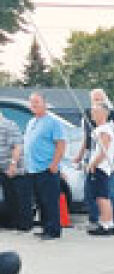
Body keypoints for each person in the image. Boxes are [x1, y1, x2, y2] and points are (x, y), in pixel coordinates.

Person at [73, 89, 114, 231]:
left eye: (100, 99)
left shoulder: (111, 116)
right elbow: (87, 137)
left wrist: (107, 130)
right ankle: (96, 219)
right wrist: (80, 156)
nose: (97, 102)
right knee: (92, 192)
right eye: (95, 99)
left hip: (103, 159)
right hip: (92, 153)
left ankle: (109, 222)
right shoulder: (88, 114)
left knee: (107, 192)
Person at [22, 92, 67, 240]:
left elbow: (61, 143)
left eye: (37, 102)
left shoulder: (53, 122)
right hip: (32, 169)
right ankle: (45, 227)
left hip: (47, 168)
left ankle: (54, 230)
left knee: (50, 201)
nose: (33, 105)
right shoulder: (31, 122)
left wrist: (54, 164)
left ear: (44, 104)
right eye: (32, 102)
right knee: (40, 201)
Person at [84, 103, 114, 236]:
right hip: (100, 167)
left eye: (95, 112)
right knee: (101, 196)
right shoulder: (100, 129)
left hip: (101, 167)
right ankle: (107, 223)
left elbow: (103, 151)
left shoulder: (104, 130)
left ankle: (106, 225)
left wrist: (92, 164)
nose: (92, 114)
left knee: (102, 197)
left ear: (103, 114)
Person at [0, 114, 29, 230]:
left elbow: (17, 146)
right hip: (3, 169)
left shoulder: (9, 125)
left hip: (16, 169)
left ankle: (24, 225)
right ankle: (12, 223)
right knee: (9, 198)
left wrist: (13, 165)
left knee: (20, 199)